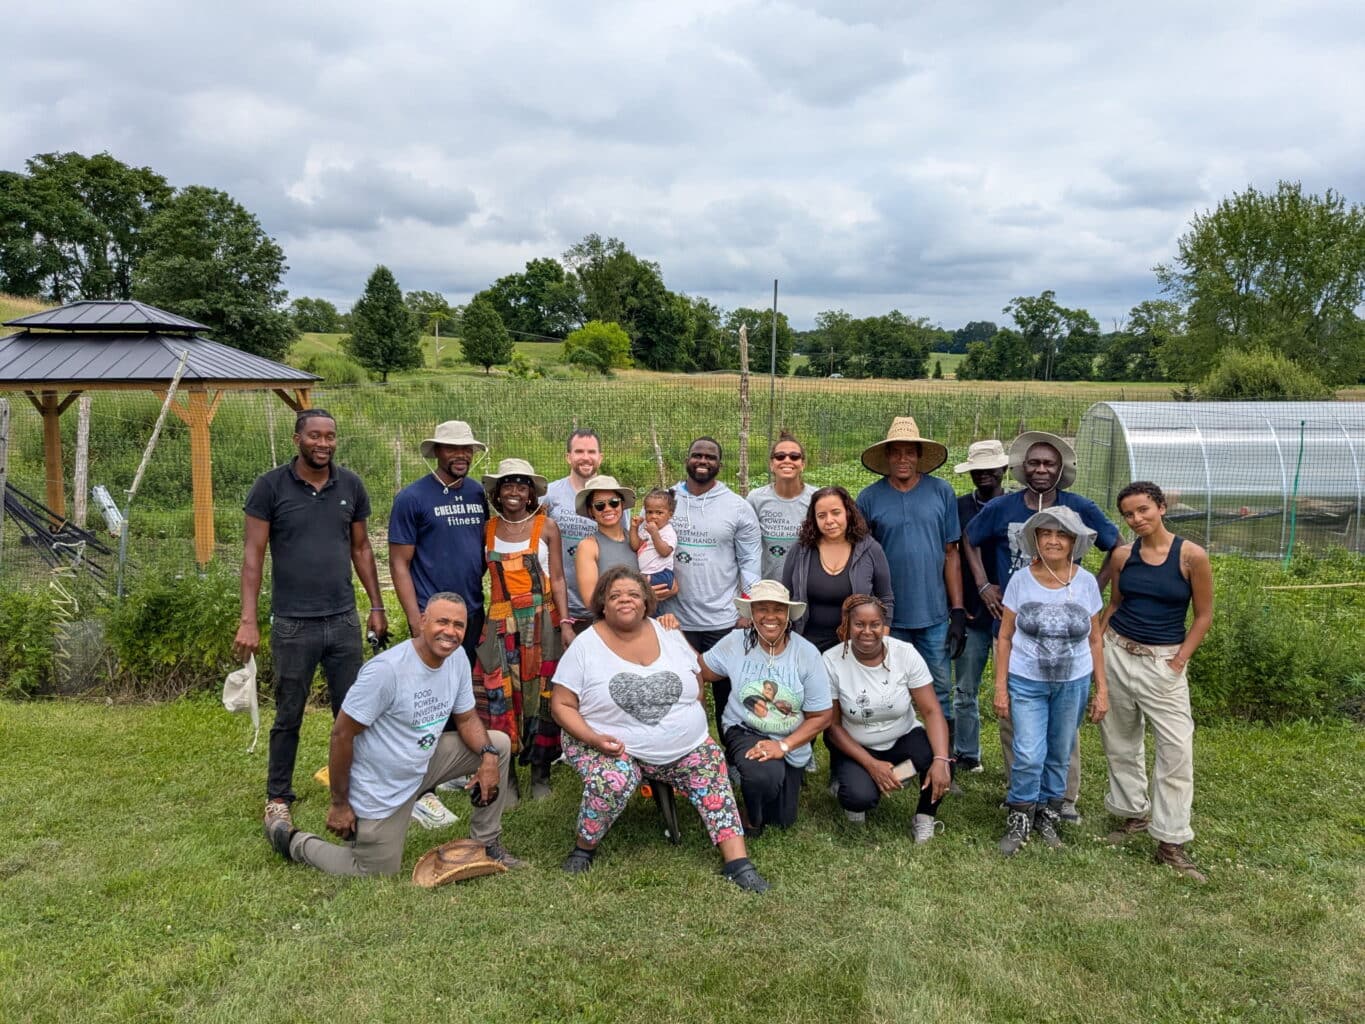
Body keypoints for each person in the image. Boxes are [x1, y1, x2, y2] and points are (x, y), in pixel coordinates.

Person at [264, 593, 526, 876]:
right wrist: (340, 803)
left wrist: (487, 758)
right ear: (423, 622)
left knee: (497, 744)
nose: (450, 632)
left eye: (458, 625)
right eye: (442, 622)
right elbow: (341, 735)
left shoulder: (457, 658)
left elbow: (466, 718)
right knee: (374, 870)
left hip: (423, 761)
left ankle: (485, 843)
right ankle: (292, 841)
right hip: (383, 783)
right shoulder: (387, 671)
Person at [549, 566, 769, 893]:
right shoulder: (586, 645)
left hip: (683, 745)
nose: (626, 600)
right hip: (604, 743)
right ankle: (584, 847)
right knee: (615, 779)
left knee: (710, 763)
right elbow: (561, 705)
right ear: (603, 605)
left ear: (646, 601)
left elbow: (695, 679)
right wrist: (593, 738)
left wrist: (691, 719)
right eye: (615, 596)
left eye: (634, 594)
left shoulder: (668, 632)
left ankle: (737, 862)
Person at [235, 409, 386, 833]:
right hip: (292, 622)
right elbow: (253, 556)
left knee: (353, 711)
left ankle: (357, 789)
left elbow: (361, 550)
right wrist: (248, 620)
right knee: (289, 713)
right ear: (297, 438)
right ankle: (278, 797)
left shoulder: (350, 485)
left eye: (330, 436)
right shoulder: (270, 487)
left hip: (342, 619)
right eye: (314, 436)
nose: (323, 443)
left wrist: (376, 606)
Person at [964, 430, 1121, 821]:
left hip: (1064, 633)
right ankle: (1021, 790)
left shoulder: (1078, 507)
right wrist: (984, 585)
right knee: (1016, 714)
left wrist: (1092, 588)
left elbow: (1117, 546)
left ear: (1061, 469)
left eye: (1049, 464)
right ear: (1021, 468)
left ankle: (1062, 799)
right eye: (1034, 463)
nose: (1040, 470)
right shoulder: (1002, 507)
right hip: (1015, 623)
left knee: (1062, 721)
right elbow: (969, 539)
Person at [1099, 482, 1214, 882]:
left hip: (1162, 661)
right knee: (1120, 740)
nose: (1137, 519)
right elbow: (1115, 604)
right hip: (1117, 651)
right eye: (1129, 514)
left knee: (1176, 750)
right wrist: (1099, 646)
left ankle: (1171, 840)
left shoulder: (1191, 556)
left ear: (1162, 507)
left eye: (1144, 510)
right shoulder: (1122, 556)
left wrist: (1179, 660)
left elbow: (1203, 616)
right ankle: (1134, 814)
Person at [387, 419, 489, 830]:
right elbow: (399, 562)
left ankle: (446, 770)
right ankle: (415, 787)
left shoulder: (480, 493)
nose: (460, 455)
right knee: (422, 699)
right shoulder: (413, 498)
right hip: (433, 617)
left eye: (466, 449)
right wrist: (416, 619)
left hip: (471, 612)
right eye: (452, 449)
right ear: (437, 453)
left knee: (456, 690)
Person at [993, 507, 1108, 856]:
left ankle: (1048, 815)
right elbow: (1005, 636)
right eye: (1046, 534)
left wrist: (1101, 690)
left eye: (1061, 535)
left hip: (1073, 682)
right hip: (1026, 679)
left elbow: (1095, 639)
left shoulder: (1086, 582)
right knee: (1028, 752)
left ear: (1074, 541)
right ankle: (1020, 818)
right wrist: (1000, 686)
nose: (1053, 541)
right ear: (1036, 540)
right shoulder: (1020, 580)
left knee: (1059, 753)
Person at [855, 417, 967, 738]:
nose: (903, 459)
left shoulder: (941, 492)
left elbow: (951, 552)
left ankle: (943, 760)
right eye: (896, 453)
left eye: (910, 452)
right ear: (887, 457)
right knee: (889, 690)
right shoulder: (869, 498)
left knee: (940, 687)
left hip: (933, 613)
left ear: (919, 456)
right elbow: (862, 560)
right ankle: (894, 753)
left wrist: (957, 610)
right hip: (889, 616)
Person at [699, 581, 833, 836]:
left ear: (788, 616)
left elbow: (822, 715)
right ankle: (750, 817)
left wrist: (783, 746)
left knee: (783, 819)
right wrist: (697, 710)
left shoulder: (807, 653)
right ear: (751, 614)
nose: (770, 616)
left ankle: (758, 775)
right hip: (744, 727)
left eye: (778, 610)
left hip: (788, 737)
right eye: (762, 609)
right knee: (764, 777)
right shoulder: (736, 643)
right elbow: (699, 669)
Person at [475, 458, 574, 800]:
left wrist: (565, 622)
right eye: (508, 485)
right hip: (501, 623)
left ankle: (540, 772)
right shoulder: (487, 529)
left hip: (542, 621)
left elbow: (558, 578)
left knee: (541, 696)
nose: (514, 491)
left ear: (531, 493)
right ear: (497, 493)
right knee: (502, 697)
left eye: (521, 485)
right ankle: (508, 777)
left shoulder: (546, 527)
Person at [823, 594, 952, 840]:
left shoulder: (905, 654)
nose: (867, 631)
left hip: (902, 737)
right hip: (858, 747)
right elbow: (833, 727)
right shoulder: (831, 661)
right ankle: (864, 785)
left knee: (940, 759)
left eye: (875, 624)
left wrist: (941, 758)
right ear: (847, 625)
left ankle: (924, 816)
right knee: (859, 796)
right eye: (859, 624)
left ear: (885, 626)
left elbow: (932, 711)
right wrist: (872, 766)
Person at [664, 436, 762, 731]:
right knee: (678, 693)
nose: (703, 461)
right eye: (697, 455)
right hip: (674, 620)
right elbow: (644, 552)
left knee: (728, 695)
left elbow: (750, 561)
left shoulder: (737, 507)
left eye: (710, 457)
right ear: (687, 459)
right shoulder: (664, 502)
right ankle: (680, 756)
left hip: (724, 620)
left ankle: (732, 754)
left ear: (720, 464)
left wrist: (748, 610)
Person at [949, 440, 1008, 774]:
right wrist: (955, 607)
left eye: (991, 468)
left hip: (1012, 613)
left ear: (1004, 469)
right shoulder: (960, 507)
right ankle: (967, 752)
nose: (984, 474)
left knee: (1014, 691)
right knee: (965, 689)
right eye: (977, 470)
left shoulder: (1019, 504)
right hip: (971, 610)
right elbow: (952, 554)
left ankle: (1018, 758)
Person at [782, 486, 894, 653]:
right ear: (814, 519)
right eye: (821, 515)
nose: (829, 520)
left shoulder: (870, 549)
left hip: (856, 644)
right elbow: (785, 596)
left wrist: (880, 641)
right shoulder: (801, 550)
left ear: (848, 513)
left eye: (836, 512)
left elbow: (885, 597)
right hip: (806, 644)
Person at [545, 429, 620, 634]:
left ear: (600, 457)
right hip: (561, 606)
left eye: (591, 452)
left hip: (604, 608)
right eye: (579, 452)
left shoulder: (615, 499)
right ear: (568, 457)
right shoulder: (550, 495)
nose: (585, 458)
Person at [747, 431, 817, 582]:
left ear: (802, 464)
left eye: (794, 456)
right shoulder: (756, 499)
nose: (787, 460)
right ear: (772, 464)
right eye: (780, 456)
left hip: (806, 585)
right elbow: (747, 545)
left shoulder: (816, 498)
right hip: (767, 586)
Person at [573, 475, 644, 608]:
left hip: (643, 620)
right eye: (599, 505)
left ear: (622, 505)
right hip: (609, 624)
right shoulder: (588, 546)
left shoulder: (636, 540)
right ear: (591, 512)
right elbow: (591, 601)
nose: (607, 508)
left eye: (614, 502)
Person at [632, 487, 678, 591]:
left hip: (662, 574)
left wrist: (655, 534)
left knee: (636, 582)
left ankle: (645, 580)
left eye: (659, 513)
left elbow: (665, 552)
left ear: (670, 515)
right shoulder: (646, 529)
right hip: (647, 573)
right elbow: (635, 546)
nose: (653, 516)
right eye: (649, 512)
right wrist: (634, 528)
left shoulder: (668, 532)